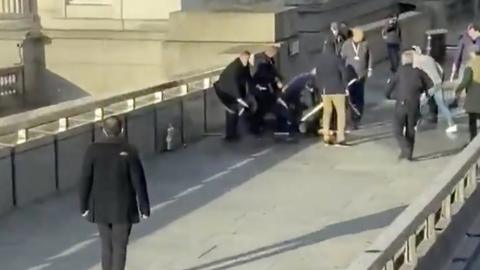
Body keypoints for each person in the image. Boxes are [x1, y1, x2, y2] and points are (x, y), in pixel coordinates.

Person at [79, 116, 150, 270]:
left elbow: (85, 178)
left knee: (106, 245)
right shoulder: (130, 150)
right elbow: (139, 180)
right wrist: (144, 208)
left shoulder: (93, 150)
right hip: (123, 207)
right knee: (120, 247)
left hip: (100, 207)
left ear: (104, 131)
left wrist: (83, 206)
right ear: (122, 130)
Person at [386, 50, 433, 161]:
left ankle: (405, 146)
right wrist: (423, 93)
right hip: (414, 104)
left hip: (401, 103)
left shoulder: (399, 72)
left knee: (397, 129)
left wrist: (389, 96)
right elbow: (430, 84)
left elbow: (389, 87)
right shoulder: (419, 72)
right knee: (410, 129)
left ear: (403, 61)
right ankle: (409, 154)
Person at [411, 45, 458, 133]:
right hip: (438, 83)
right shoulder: (429, 58)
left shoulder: (416, 62)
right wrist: (440, 80)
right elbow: (441, 70)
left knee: (418, 104)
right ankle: (451, 124)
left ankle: (415, 124)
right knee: (441, 104)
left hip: (430, 86)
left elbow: (417, 76)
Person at [213, 51, 253, 141]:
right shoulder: (234, 68)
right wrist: (239, 98)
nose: (247, 61)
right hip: (224, 91)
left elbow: (248, 77)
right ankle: (230, 136)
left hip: (233, 91)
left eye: (248, 58)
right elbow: (232, 83)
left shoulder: (244, 65)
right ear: (241, 58)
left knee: (235, 111)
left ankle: (232, 134)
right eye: (246, 58)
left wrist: (253, 87)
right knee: (231, 111)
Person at [316, 41, 348, 146]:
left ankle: (326, 136)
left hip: (325, 91)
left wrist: (321, 89)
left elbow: (318, 76)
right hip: (338, 89)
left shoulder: (319, 60)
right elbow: (344, 73)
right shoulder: (337, 59)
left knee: (327, 112)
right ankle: (340, 137)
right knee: (340, 113)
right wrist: (345, 86)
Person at [341, 28, 373, 129]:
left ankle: (358, 116)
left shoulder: (365, 45)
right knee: (350, 97)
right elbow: (342, 58)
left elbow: (370, 57)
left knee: (359, 96)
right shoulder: (346, 45)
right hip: (350, 76)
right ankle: (351, 118)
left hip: (361, 74)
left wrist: (370, 68)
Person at [274, 68, 317, 139]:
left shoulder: (304, 76)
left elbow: (301, 85)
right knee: (289, 111)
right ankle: (288, 128)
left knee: (295, 108)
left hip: (291, 94)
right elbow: (309, 87)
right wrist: (312, 90)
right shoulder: (308, 77)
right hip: (289, 95)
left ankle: (292, 126)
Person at [250, 46, 284, 135]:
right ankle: (255, 128)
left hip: (264, 90)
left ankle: (258, 124)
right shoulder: (263, 64)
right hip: (260, 91)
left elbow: (274, 73)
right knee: (263, 109)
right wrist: (276, 81)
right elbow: (267, 76)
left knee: (263, 109)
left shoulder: (268, 61)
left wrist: (278, 79)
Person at [454, 48, 480, 141]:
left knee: (472, 120)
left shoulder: (471, 64)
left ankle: (473, 141)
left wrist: (458, 90)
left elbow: (466, 80)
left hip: (474, 94)